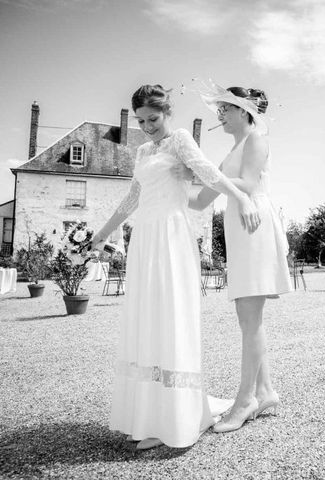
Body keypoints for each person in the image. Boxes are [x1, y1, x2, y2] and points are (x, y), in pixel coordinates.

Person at [91, 84, 261, 450]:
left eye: (153, 118)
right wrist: (101, 233)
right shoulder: (140, 150)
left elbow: (207, 172)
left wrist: (242, 197)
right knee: (146, 319)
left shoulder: (180, 139)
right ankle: (149, 415)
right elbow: (133, 197)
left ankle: (178, 416)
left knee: (170, 319)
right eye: (141, 120)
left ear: (167, 114)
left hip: (171, 236)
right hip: (145, 239)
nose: (148, 126)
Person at [188, 84, 291, 433]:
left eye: (226, 109)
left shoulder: (256, 141)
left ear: (245, 112)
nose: (221, 115)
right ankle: (265, 390)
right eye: (219, 110)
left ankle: (245, 399)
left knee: (250, 315)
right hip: (239, 231)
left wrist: (205, 175)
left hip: (254, 226)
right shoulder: (227, 155)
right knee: (247, 317)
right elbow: (201, 201)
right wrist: (168, 188)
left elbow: (246, 183)